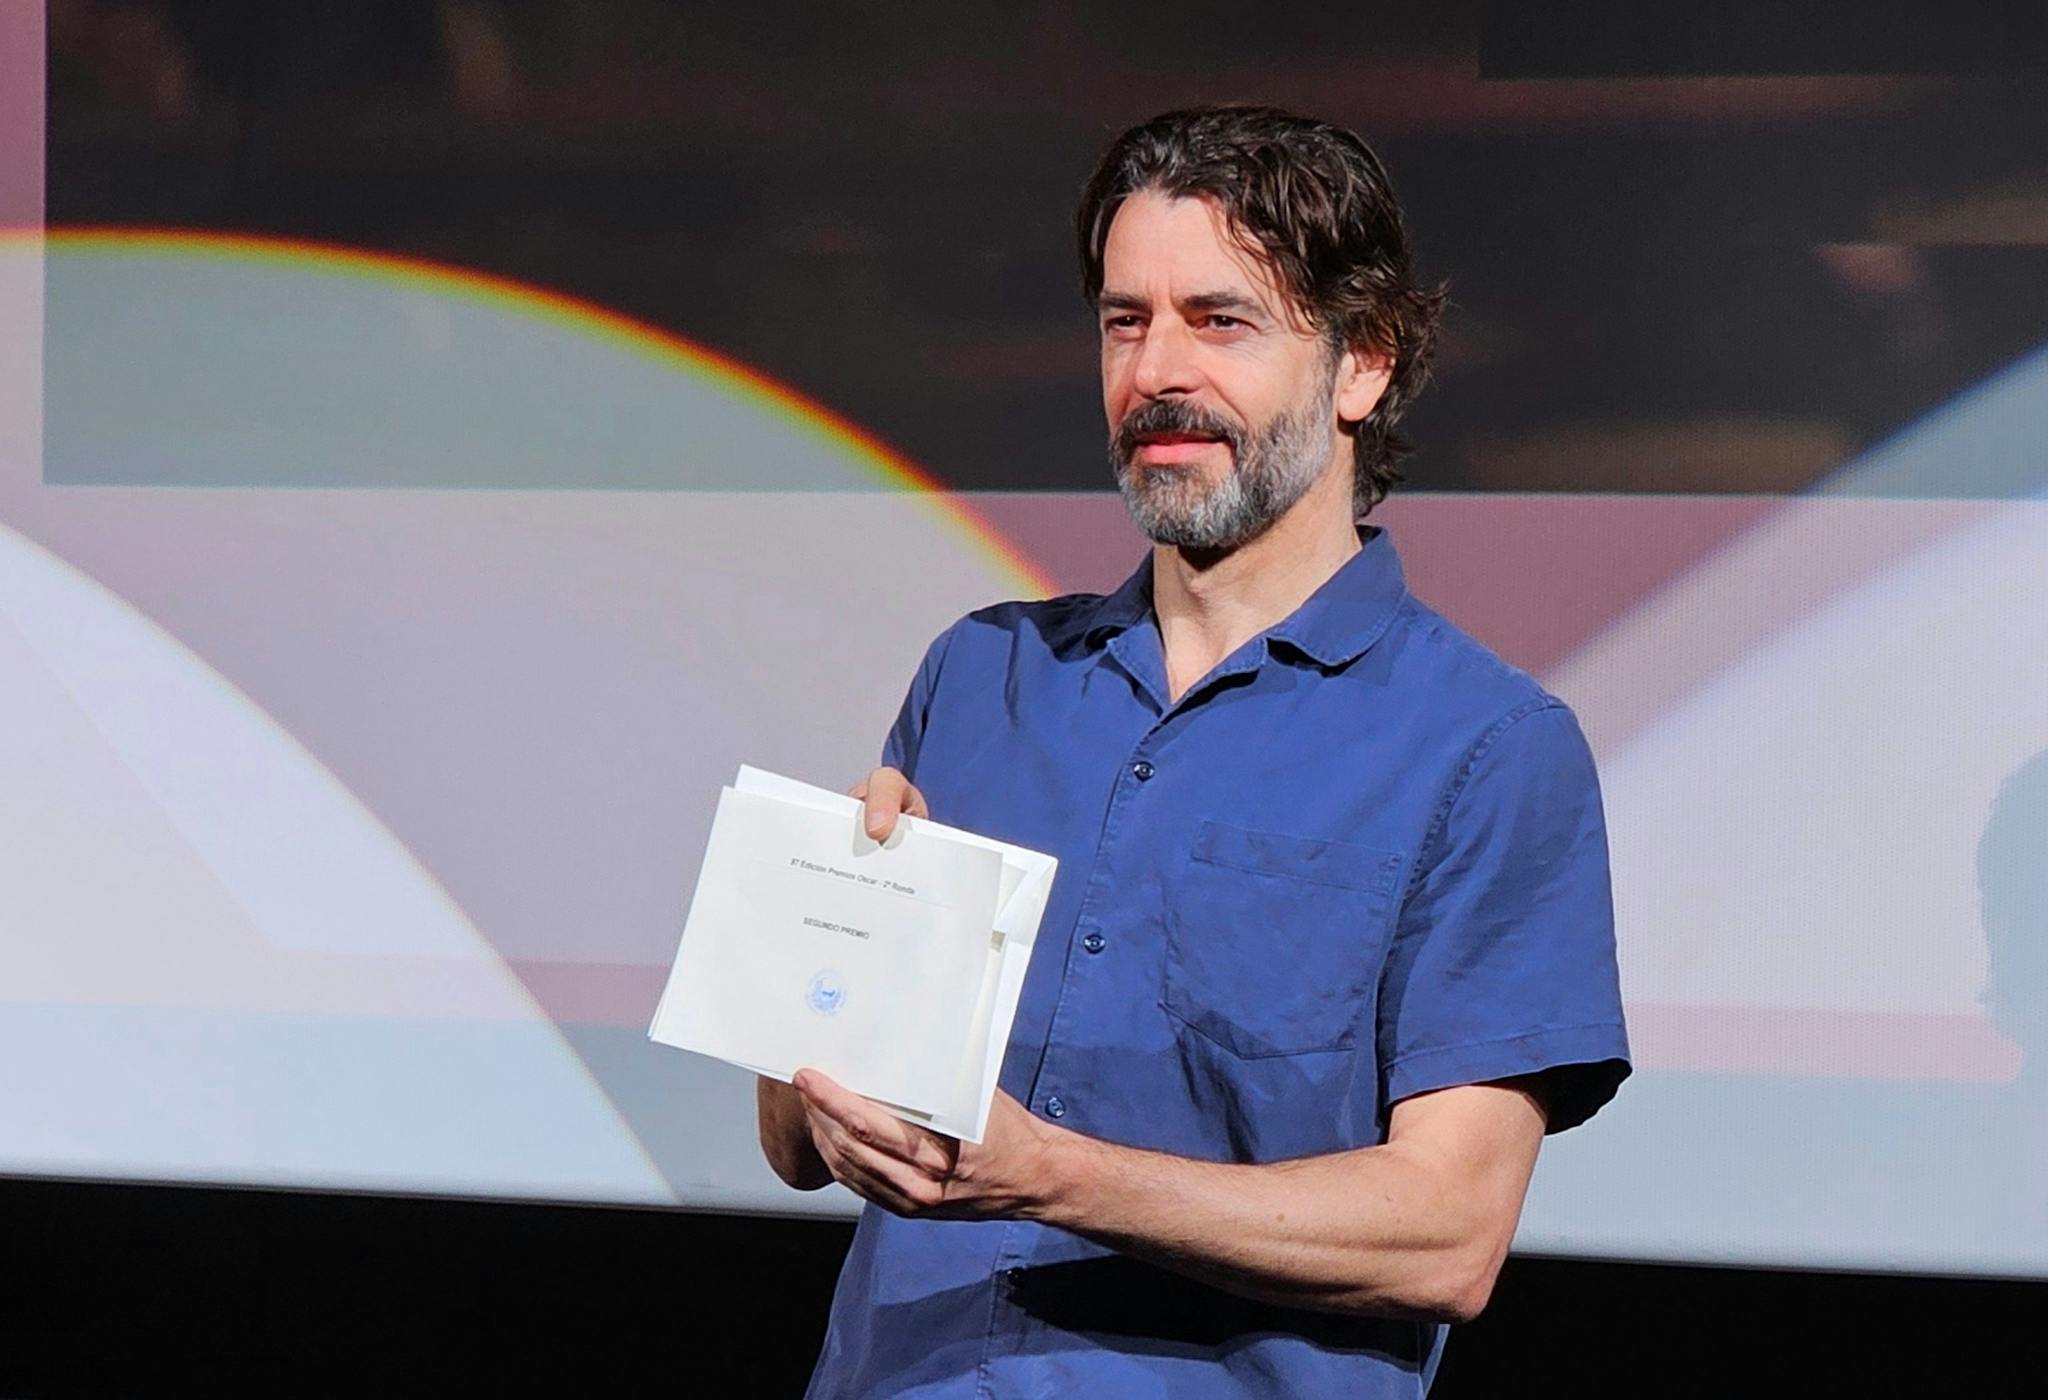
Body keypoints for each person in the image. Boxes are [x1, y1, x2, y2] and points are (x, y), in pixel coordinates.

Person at [756, 104, 1631, 1397]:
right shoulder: (984, 673)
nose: (1158, 369)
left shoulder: (1487, 749)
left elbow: (1448, 1234)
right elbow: (791, 1138)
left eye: (1219, 321)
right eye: (1126, 320)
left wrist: (1054, 1176)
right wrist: (825, 951)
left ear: (1364, 364)